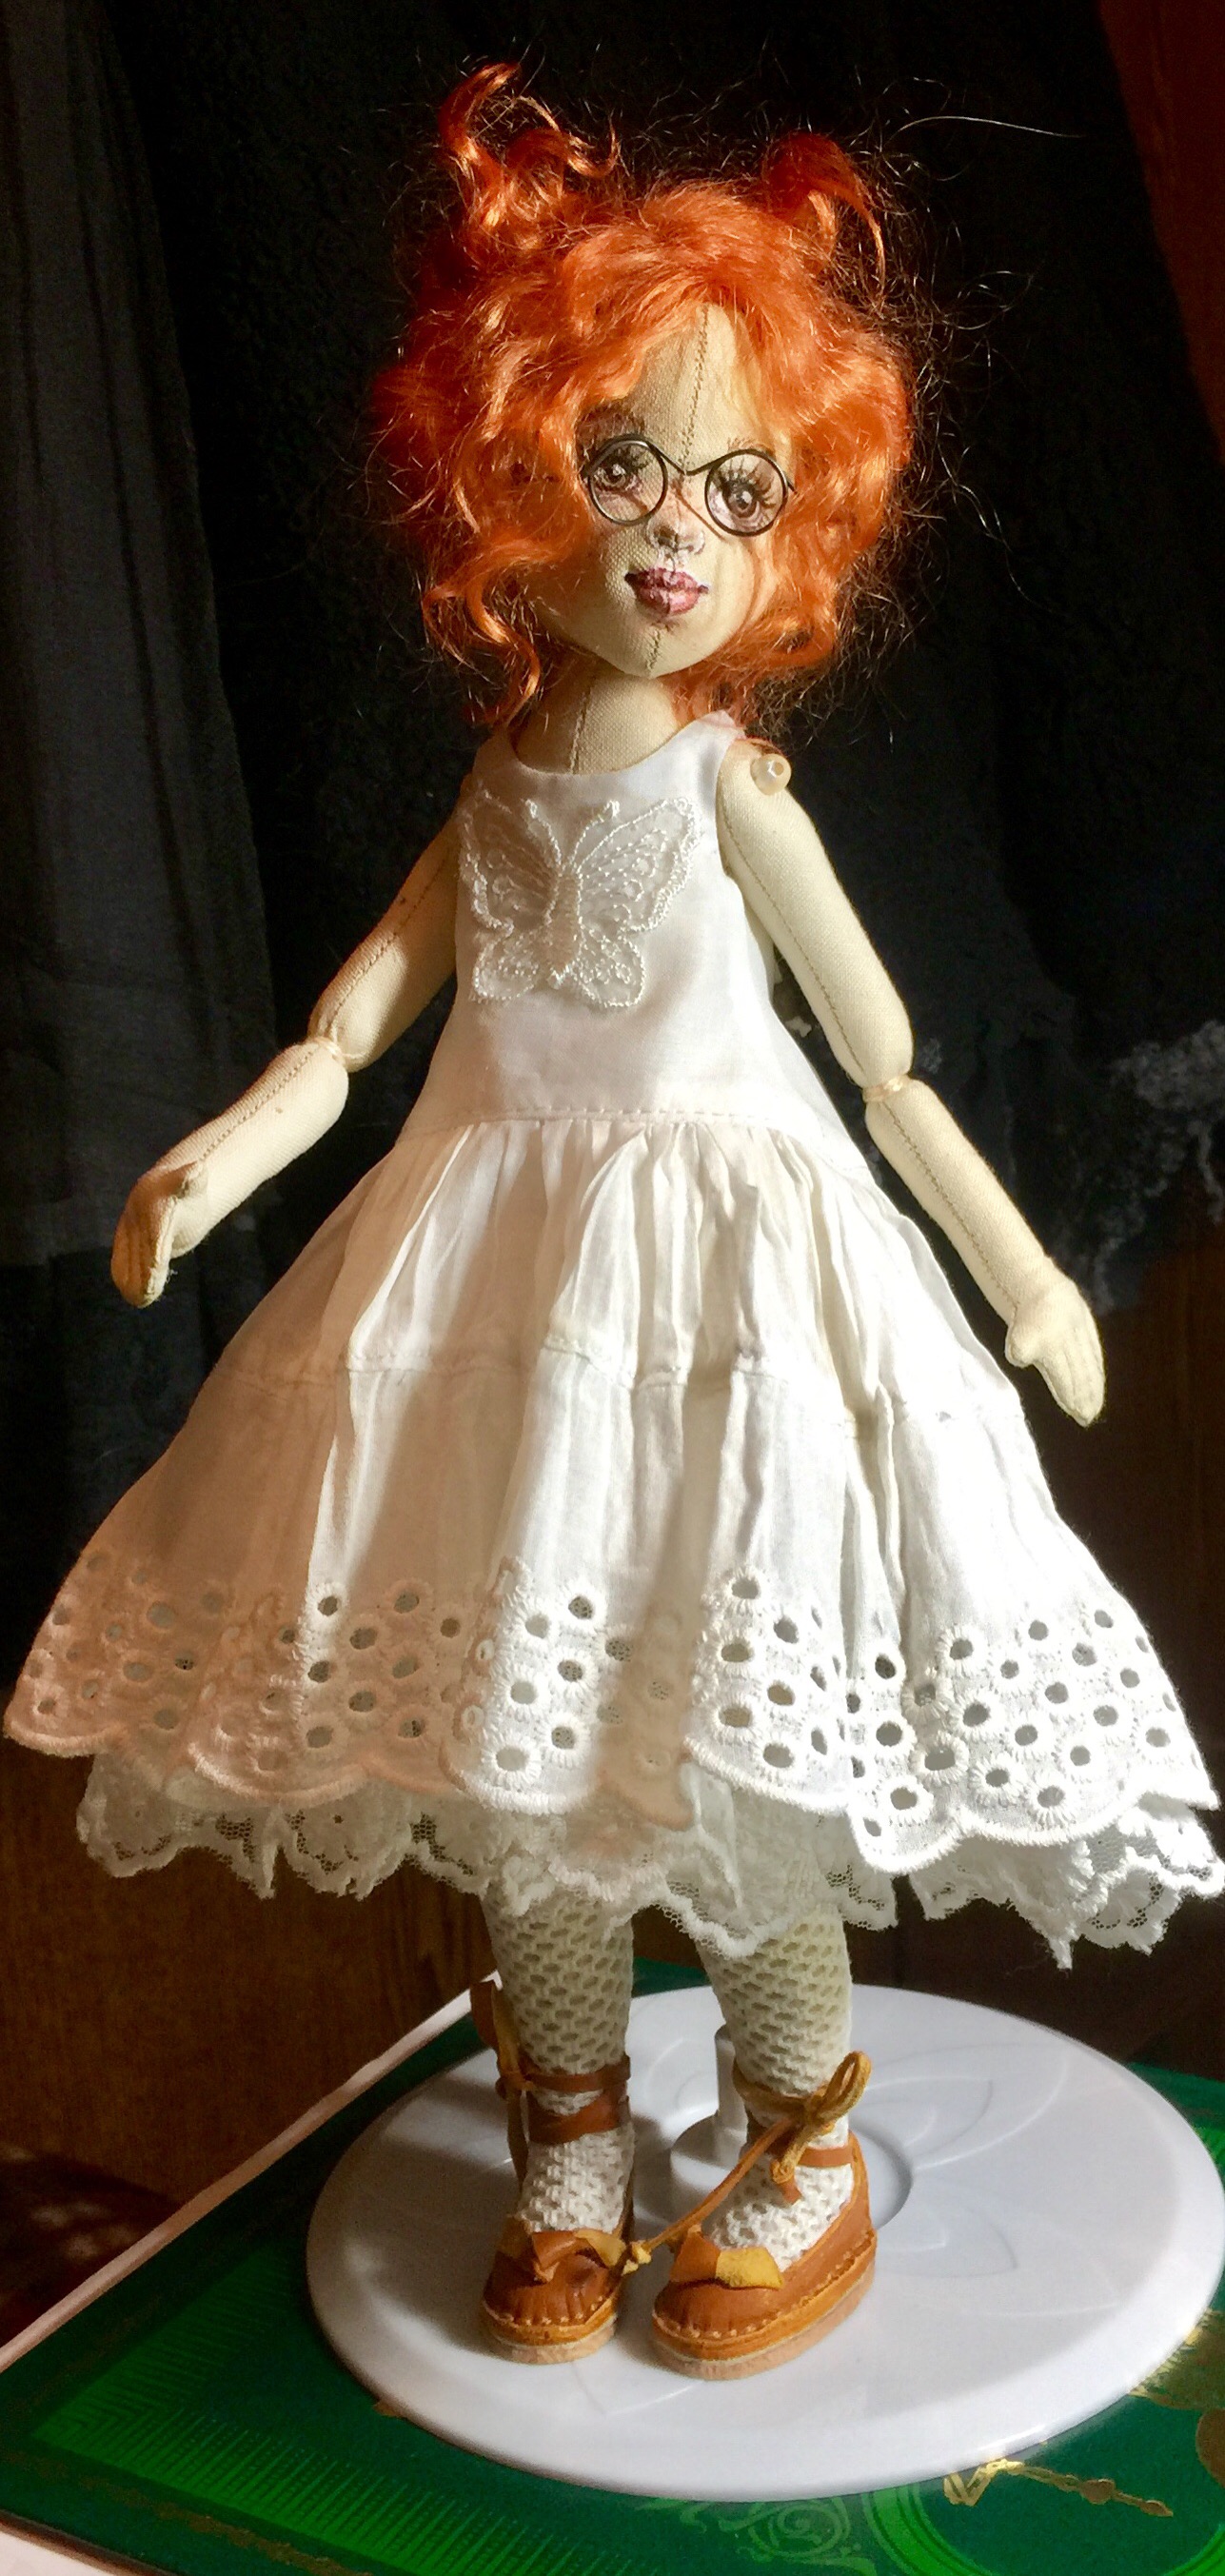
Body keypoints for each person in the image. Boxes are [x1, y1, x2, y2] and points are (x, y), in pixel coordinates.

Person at [9, 65, 1221, 2377]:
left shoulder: (725, 786)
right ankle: (564, 2113)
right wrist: (215, 1157)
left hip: (731, 1301)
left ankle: (797, 2127)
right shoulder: (496, 789)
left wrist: (1021, 1277)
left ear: (794, 538)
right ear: (509, 481)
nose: (673, 536)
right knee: (522, 1765)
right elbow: (353, 1025)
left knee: (726, 1766)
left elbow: (878, 1060)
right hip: (490, 1294)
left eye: (735, 493)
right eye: (622, 468)